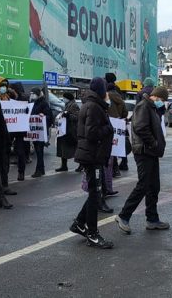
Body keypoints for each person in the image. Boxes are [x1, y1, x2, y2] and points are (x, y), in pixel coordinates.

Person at [116, 86, 171, 234]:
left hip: (151, 152)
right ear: (157, 97)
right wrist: (153, 143)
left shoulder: (152, 107)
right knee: (143, 184)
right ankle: (124, 216)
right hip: (144, 151)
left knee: (154, 186)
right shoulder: (144, 106)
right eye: (163, 100)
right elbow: (140, 128)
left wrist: (160, 111)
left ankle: (152, 219)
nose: (163, 103)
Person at [71, 77, 114, 249]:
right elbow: (92, 133)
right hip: (92, 155)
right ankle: (93, 234)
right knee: (95, 193)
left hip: (91, 154)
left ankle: (79, 223)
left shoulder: (90, 104)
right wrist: (109, 129)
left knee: (94, 193)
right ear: (101, 91)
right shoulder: (94, 107)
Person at [104, 73, 127, 180]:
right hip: (118, 123)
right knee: (119, 145)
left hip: (108, 122)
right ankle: (120, 165)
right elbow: (125, 112)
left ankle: (114, 168)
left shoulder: (106, 95)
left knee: (109, 147)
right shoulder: (119, 93)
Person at [30, 87, 54, 178]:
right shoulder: (33, 103)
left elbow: (49, 117)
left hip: (41, 132)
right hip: (35, 131)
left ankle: (39, 170)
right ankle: (41, 169)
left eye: (33, 93)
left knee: (39, 151)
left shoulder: (44, 103)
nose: (32, 95)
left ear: (38, 94)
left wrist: (43, 116)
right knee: (38, 151)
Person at [55, 92, 79, 172]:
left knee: (74, 149)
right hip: (64, 130)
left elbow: (77, 117)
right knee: (63, 148)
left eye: (64, 97)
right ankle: (64, 165)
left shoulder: (74, 105)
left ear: (68, 98)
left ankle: (81, 165)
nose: (63, 99)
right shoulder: (67, 105)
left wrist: (68, 115)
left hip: (71, 130)